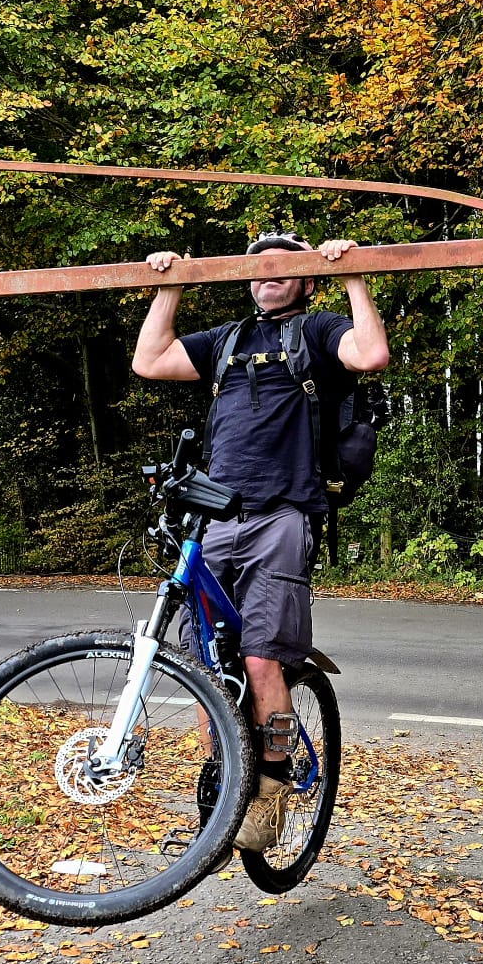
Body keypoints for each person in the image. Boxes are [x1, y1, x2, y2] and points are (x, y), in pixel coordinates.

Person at [133, 234, 390, 852]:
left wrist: (353, 275)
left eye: (285, 265)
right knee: (204, 668)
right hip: (217, 520)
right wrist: (171, 286)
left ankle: (270, 796)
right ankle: (223, 788)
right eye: (260, 266)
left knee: (259, 658)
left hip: (284, 513)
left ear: (305, 282)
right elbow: (150, 360)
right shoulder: (226, 340)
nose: (269, 274)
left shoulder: (319, 332)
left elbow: (372, 353)